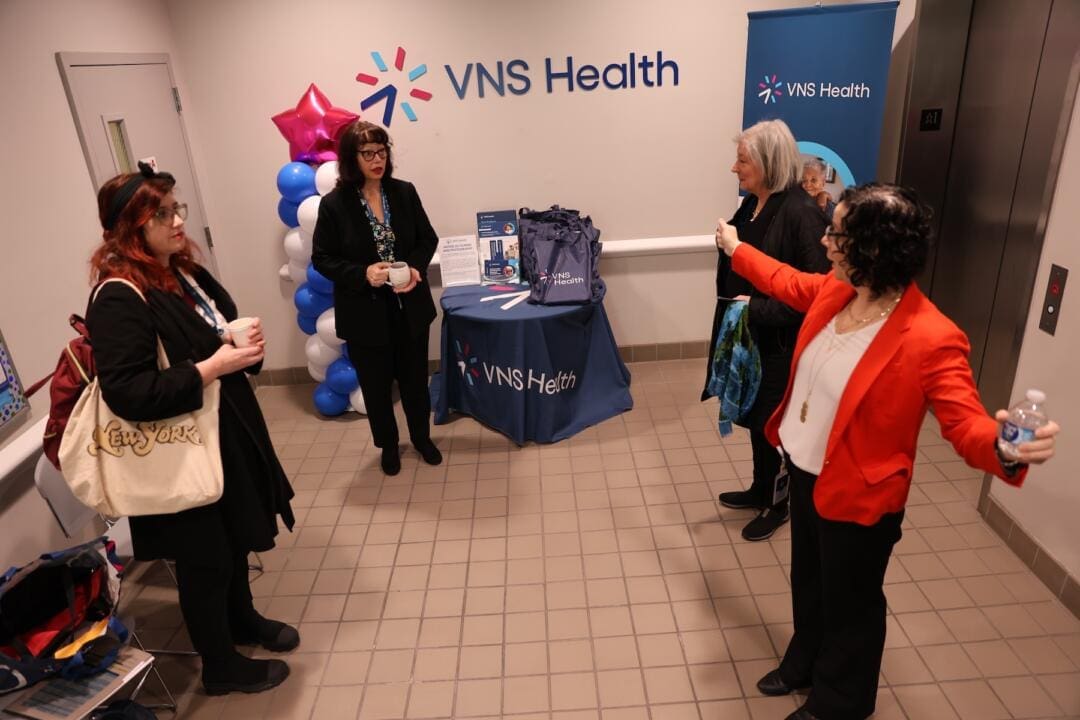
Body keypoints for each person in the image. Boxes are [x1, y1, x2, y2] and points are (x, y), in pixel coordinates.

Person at [715, 183, 1060, 720]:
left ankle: (839, 702)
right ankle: (803, 659)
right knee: (808, 582)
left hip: (860, 495)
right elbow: (785, 281)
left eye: (837, 233)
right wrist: (736, 247)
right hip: (805, 472)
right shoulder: (837, 292)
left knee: (851, 605)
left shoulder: (931, 337)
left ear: (873, 250)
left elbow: (964, 424)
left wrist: (1005, 450)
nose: (827, 240)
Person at [86, 162, 297, 696]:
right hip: (176, 450)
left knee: (232, 544)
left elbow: (209, 331)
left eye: (176, 207)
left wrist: (235, 341)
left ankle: (244, 622)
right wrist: (215, 366)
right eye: (161, 213)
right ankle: (221, 666)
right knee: (205, 560)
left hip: (222, 431)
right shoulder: (117, 295)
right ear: (130, 226)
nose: (177, 220)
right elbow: (129, 392)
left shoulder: (179, 270)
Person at [706, 119, 830, 542]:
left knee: (772, 425)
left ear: (768, 162)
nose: (733, 168)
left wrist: (755, 309)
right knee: (756, 421)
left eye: (742, 160)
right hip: (752, 341)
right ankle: (761, 487)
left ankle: (779, 504)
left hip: (780, 344)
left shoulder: (800, 214)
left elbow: (814, 295)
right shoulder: (753, 203)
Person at [312, 120, 441, 476]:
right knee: (376, 386)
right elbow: (322, 258)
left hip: (409, 307)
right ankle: (388, 446)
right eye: (367, 153)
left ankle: (422, 438)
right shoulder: (335, 205)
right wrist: (362, 273)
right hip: (364, 312)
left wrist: (414, 268)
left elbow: (427, 239)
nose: (377, 159)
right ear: (351, 159)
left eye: (382, 151)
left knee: (416, 381)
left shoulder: (404, 192)